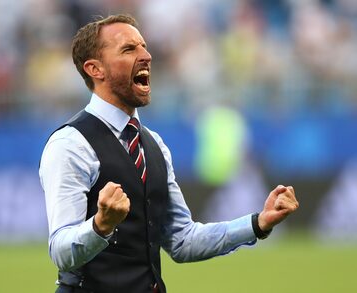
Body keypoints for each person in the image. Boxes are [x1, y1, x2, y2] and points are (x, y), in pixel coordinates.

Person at [39, 14, 299, 293]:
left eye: (143, 46)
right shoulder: (70, 144)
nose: (146, 56)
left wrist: (258, 223)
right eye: (128, 49)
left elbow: (182, 240)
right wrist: (100, 226)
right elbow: (61, 251)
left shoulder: (154, 145)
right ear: (95, 69)